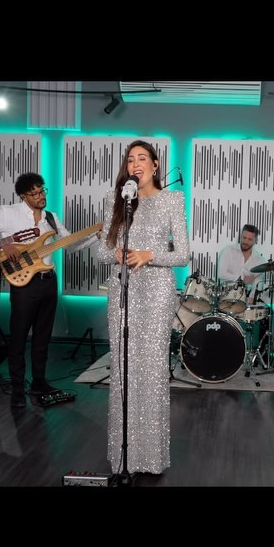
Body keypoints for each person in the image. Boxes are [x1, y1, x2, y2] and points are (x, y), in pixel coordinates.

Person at [94, 140, 190, 477]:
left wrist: (150, 255)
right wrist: (116, 253)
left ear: (155, 164)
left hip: (156, 291)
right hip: (123, 290)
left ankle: (150, 456)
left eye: (142, 158)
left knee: (150, 369)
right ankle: (124, 456)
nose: (135, 164)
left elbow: (183, 255)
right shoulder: (118, 199)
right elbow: (101, 252)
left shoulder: (172, 200)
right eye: (130, 159)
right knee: (123, 368)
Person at [0, 173, 72, 408]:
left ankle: (39, 382)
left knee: (43, 337)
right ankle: (17, 389)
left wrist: (96, 235)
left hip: (48, 281)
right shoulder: (8, 213)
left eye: (42, 191)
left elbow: (70, 242)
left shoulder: (51, 217)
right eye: (34, 193)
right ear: (23, 196)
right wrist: (4, 246)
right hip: (24, 284)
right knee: (18, 338)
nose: (40, 196)